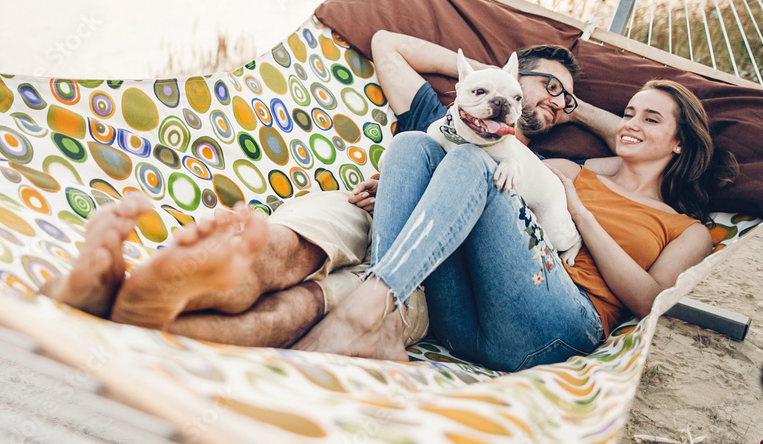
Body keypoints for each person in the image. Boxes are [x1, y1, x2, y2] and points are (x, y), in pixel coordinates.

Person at [42, 32, 619, 347]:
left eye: (563, 100)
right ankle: (140, 290)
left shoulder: (542, 171)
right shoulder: (443, 104)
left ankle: (135, 312)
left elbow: (621, 146)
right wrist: (481, 75)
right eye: (543, 86)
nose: (549, 101)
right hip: (370, 214)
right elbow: (386, 41)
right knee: (284, 242)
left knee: (304, 308)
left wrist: (570, 106)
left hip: (427, 269)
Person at [294, 80, 737, 369]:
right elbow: (469, 198)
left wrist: (581, 214)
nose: (631, 123)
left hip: (556, 329)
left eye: (651, 118)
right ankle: (385, 324)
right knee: (413, 145)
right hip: (465, 318)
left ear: (680, 143)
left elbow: (648, 299)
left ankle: (365, 311)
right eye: (629, 111)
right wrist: (397, 186)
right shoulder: (567, 169)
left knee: (475, 158)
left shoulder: (688, 229)